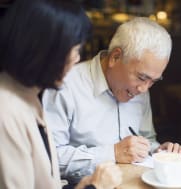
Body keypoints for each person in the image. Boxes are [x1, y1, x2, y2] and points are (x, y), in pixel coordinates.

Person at [42, 17, 181, 182]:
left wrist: (159, 151)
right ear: (115, 57)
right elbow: (48, 156)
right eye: (141, 77)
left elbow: (147, 140)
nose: (144, 89)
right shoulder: (66, 85)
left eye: (153, 81)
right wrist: (113, 153)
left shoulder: (140, 89)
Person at [0, 0, 122, 188]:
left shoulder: (28, 94)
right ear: (45, 51)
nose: (77, 59)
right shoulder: (6, 112)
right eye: (74, 50)